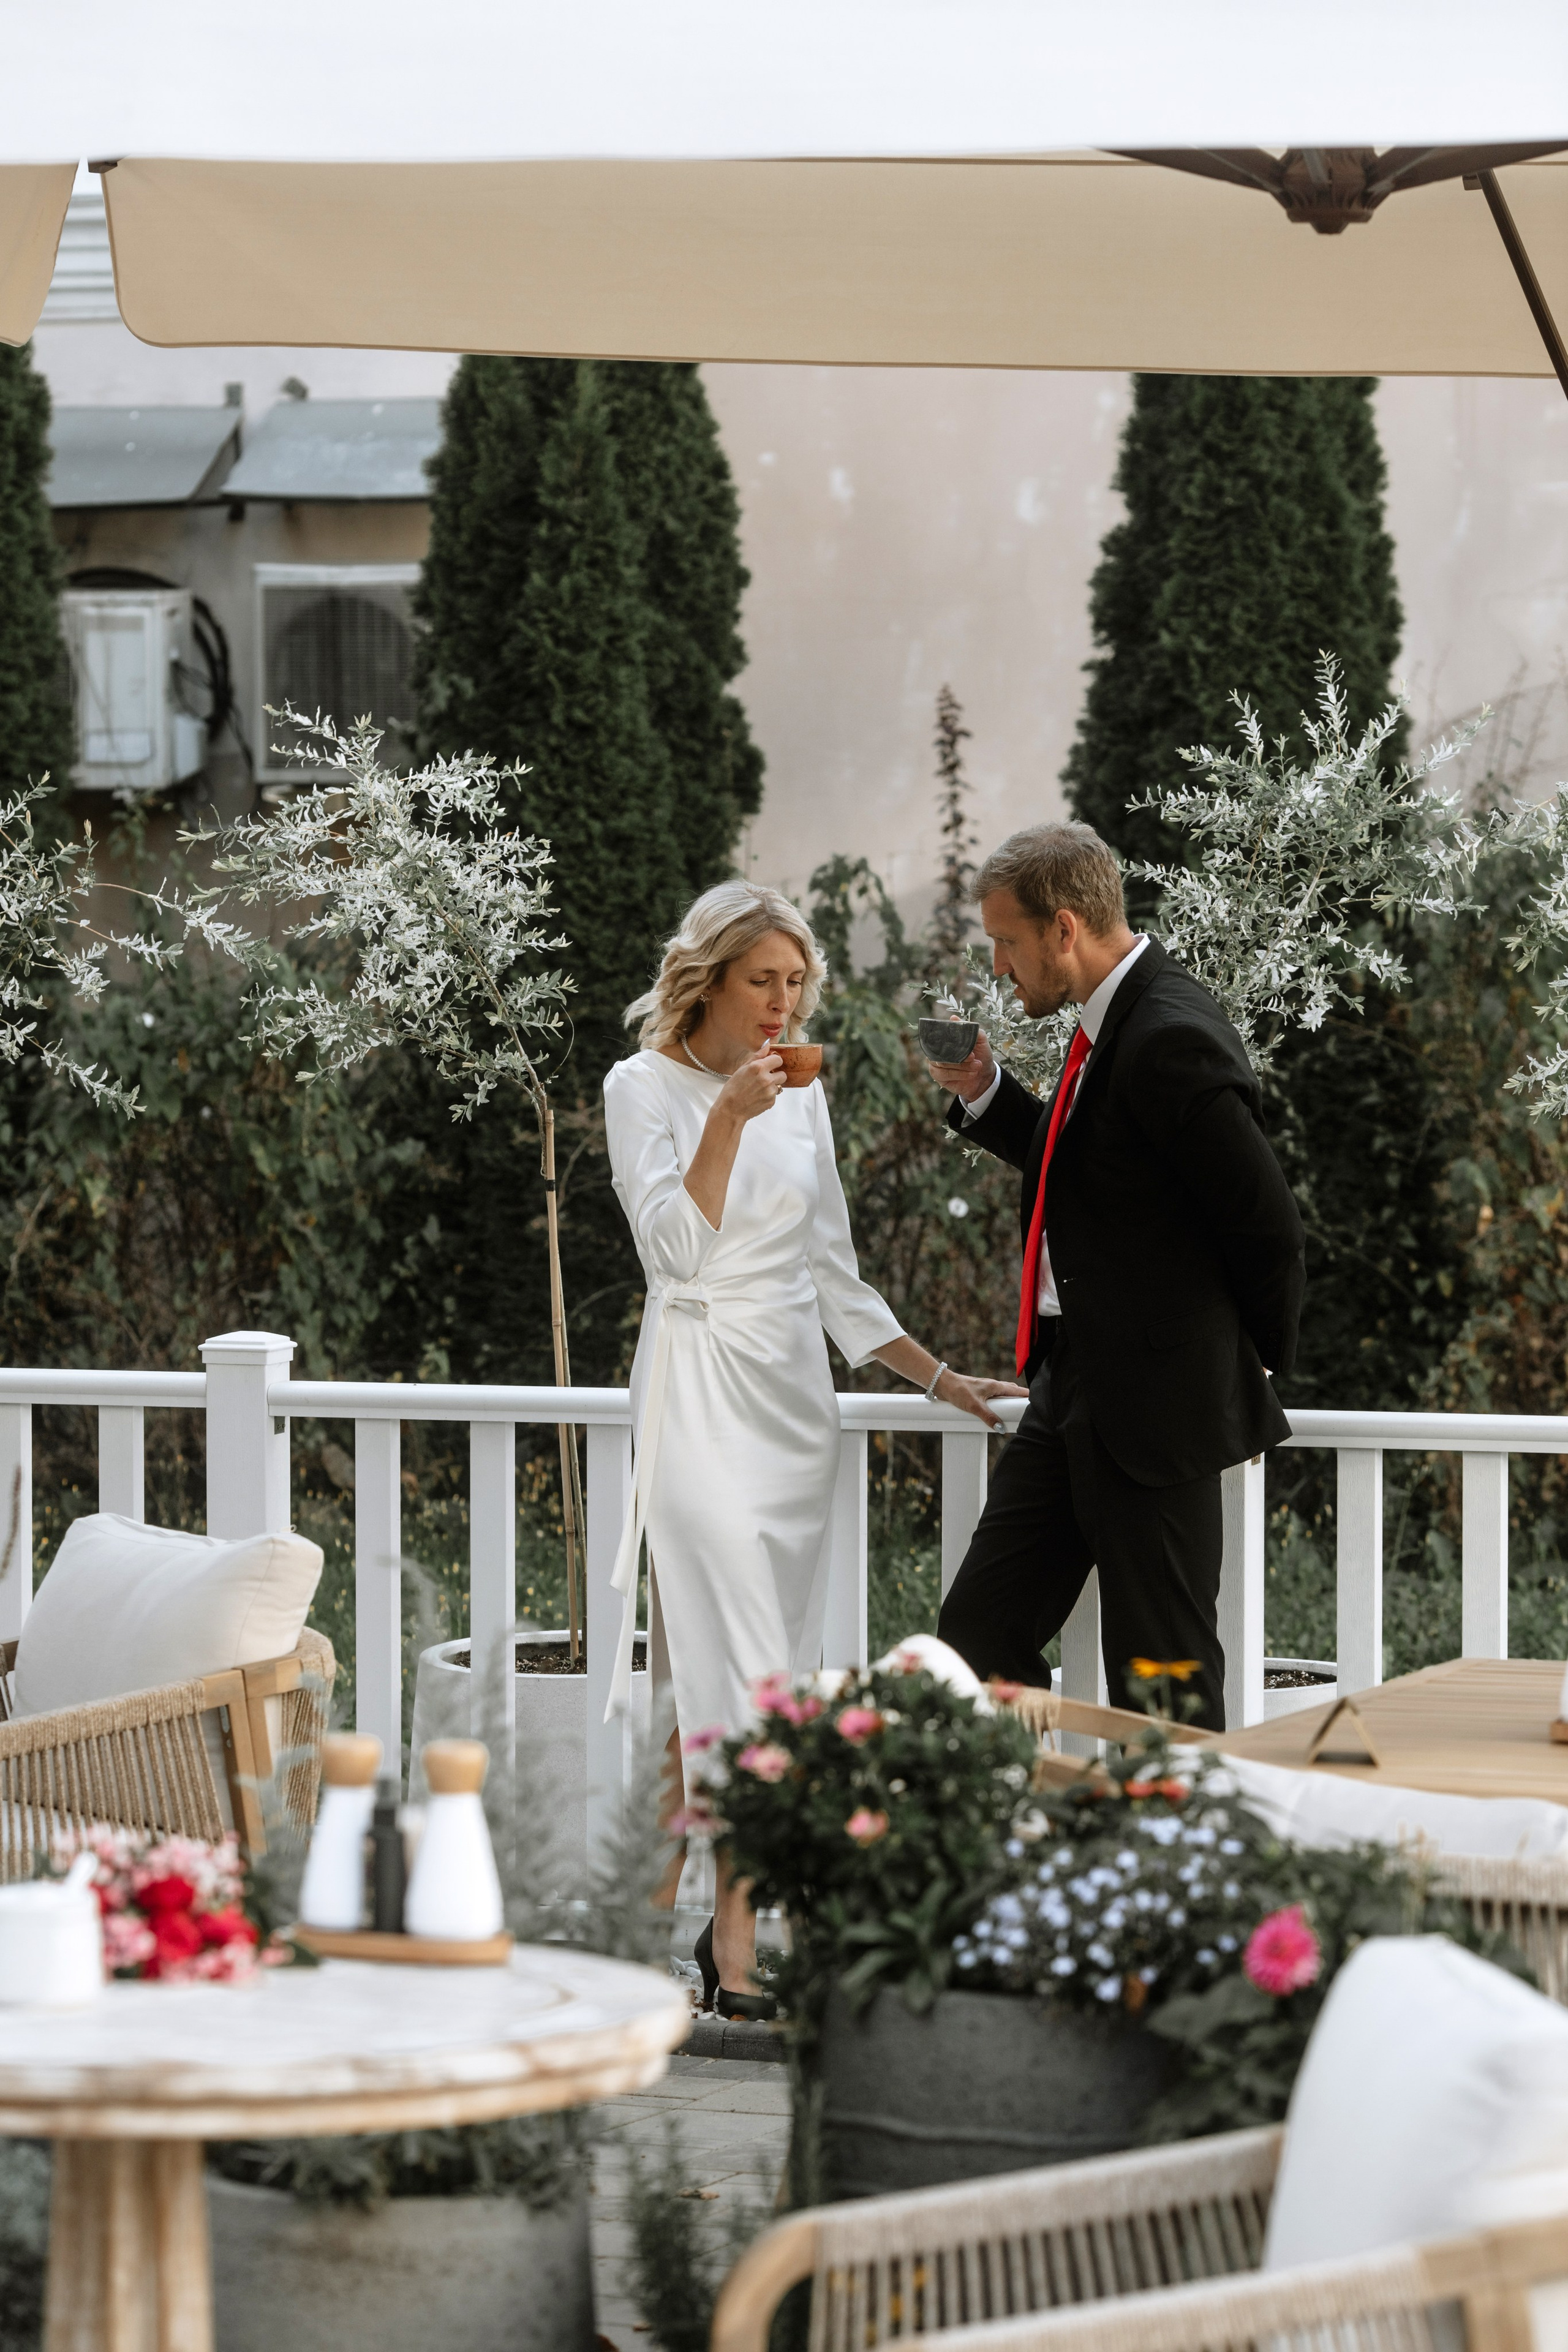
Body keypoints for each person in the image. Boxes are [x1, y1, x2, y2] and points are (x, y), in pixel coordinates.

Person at [604, 880, 1022, 2016]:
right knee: (745, 1680)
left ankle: (633, 1922)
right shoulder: (641, 1088)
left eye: (795, 983)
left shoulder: (804, 1093)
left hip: (793, 1410)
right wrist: (729, 1119)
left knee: (722, 1680)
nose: (781, 1004)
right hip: (696, 1395)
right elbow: (673, 1254)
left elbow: (834, 1274)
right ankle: (735, 1943)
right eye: (761, 981)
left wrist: (937, 1376)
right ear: (709, 981)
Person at [924, 823, 1305, 1733]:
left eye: (1006, 941)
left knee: (1163, 1680)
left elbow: (1269, 1226)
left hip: (1159, 1406)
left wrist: (1242, 1372)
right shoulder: (1114, 1021)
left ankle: (1176, 1834)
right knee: (977, 1638)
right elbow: (1092, 1170)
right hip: (1071, 1390)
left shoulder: (1169, 1033)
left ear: (1064, 928)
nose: (998, 967)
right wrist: (986, 1093)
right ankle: (1023, 1819)